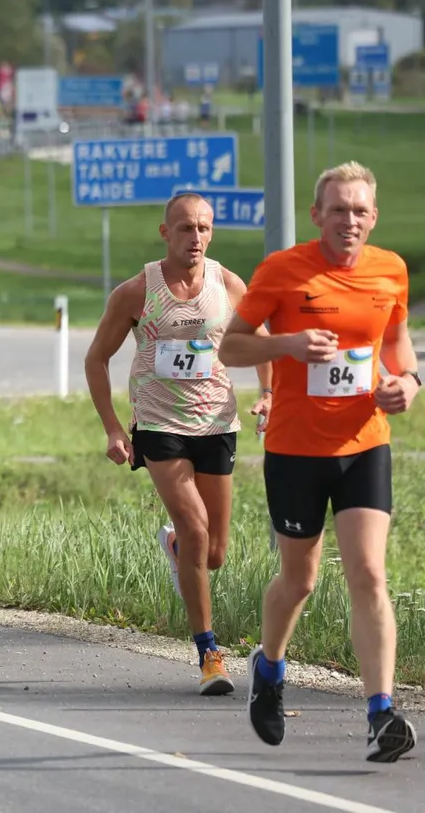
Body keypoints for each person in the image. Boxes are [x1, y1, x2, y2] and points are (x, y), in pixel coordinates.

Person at [218, 162, 418, 762]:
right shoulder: (283, 271)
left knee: (369, 574)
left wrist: (408, 382)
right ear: (317, 215)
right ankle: (271, 666)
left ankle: (380, 713)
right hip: (295, 449)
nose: (349, 221)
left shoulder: (391, 271)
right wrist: (286, 345)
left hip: (364, 443)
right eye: (338, 210)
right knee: (300, 579)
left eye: (360, 211)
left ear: (373, 217)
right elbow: (230, 344)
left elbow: (400, 349)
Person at [84, 193, 271, 695]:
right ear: (165, 233)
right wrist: (113, 429)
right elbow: (96, 359)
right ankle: (210, 653)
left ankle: (173, 545)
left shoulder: (227, 284)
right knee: (195, 526)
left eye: (205, 228)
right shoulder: (136, 291)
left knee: (213, 553)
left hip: (217, 422)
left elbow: (257, 339)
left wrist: (269, 393)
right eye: (186, 228)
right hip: (159, 423)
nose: (196, 238)